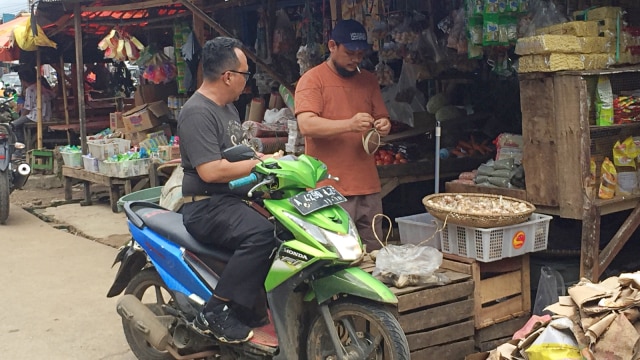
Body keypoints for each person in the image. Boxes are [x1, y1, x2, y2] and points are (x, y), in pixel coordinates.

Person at [177, 36, 277, 344]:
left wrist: (269, 160)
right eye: (245, 73)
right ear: (228, 76)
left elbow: (242, 155)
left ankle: (251, 306)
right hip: (206, 206)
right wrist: (259, 165)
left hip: (231, 199)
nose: (247, 81)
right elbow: (211, 171)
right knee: (262, 234)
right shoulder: (197, 112)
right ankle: (215, 312)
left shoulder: (228, 109)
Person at [294, 19, 391, 252]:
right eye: (349, 53)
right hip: (328, 188)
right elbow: (306, 125)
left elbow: (383, 118)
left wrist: (383, 124)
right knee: (339, 255)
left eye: (360, 53)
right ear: (331, 46)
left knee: (376, 252)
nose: (356, 59)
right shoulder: (312, 79)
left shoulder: (368, 80)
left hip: (368, 185)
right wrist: (349, 124)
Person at [11, 68, 55, 159]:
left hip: (35, 116)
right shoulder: (41, 86)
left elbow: (28, 108)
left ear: (23, 80)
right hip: (46, 116)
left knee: (13, 125)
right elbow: (53, 95)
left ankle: (20, 150)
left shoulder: (30, 89)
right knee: (19, 123)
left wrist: (21, 117)